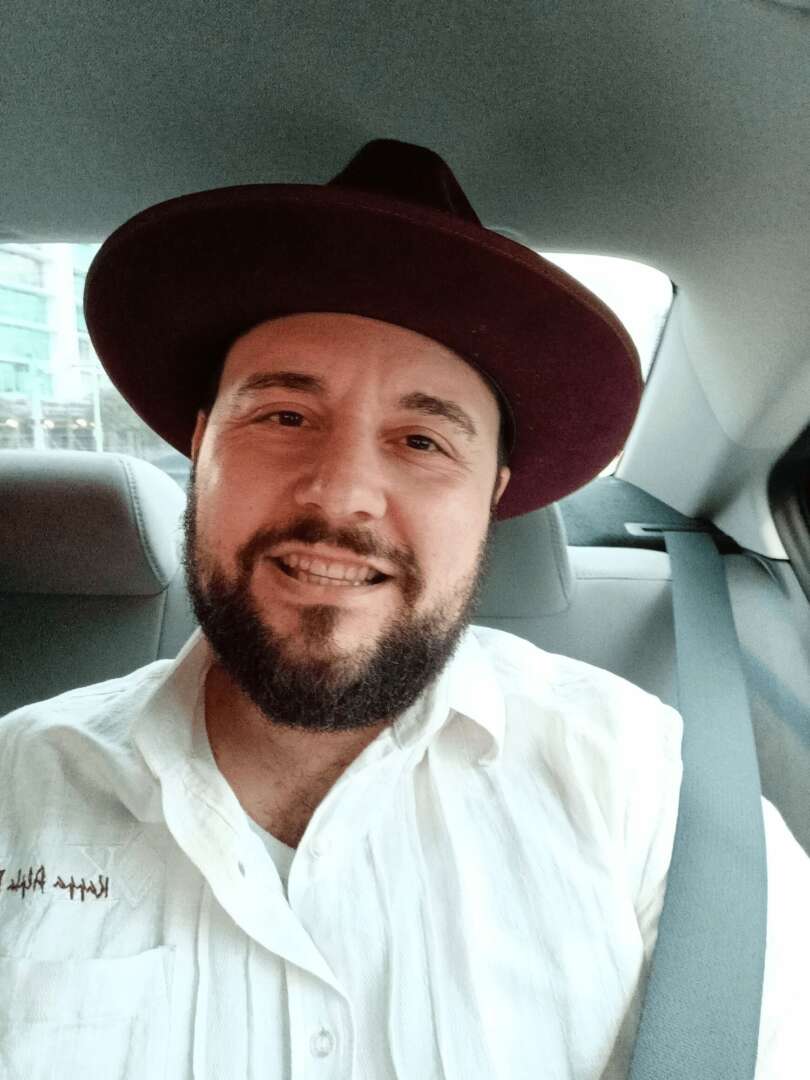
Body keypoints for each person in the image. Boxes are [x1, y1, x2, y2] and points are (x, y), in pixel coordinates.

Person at [1, 140, 807, 1078]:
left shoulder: (650, 789)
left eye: (423, 440)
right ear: (202, 445)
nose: (342, 493)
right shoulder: (18, 789)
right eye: (284, 416)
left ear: (493, 498)